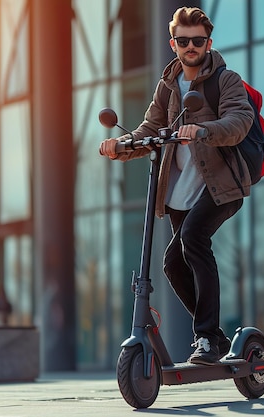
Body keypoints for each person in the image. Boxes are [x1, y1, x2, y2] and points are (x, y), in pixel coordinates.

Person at [99, 6, 254, 365]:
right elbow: (149, 130)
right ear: (173, 44)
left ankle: (205, 337)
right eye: (183, 41)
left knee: (193, 240)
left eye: (197, 41)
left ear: (208, 43)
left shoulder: (225, 80)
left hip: (220, 187)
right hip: (181, 191)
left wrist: (204, 130)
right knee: (172, 262)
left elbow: (239, 120)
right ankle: (213, 335)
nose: (190, 47)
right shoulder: (168, 86)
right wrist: (120, 146)